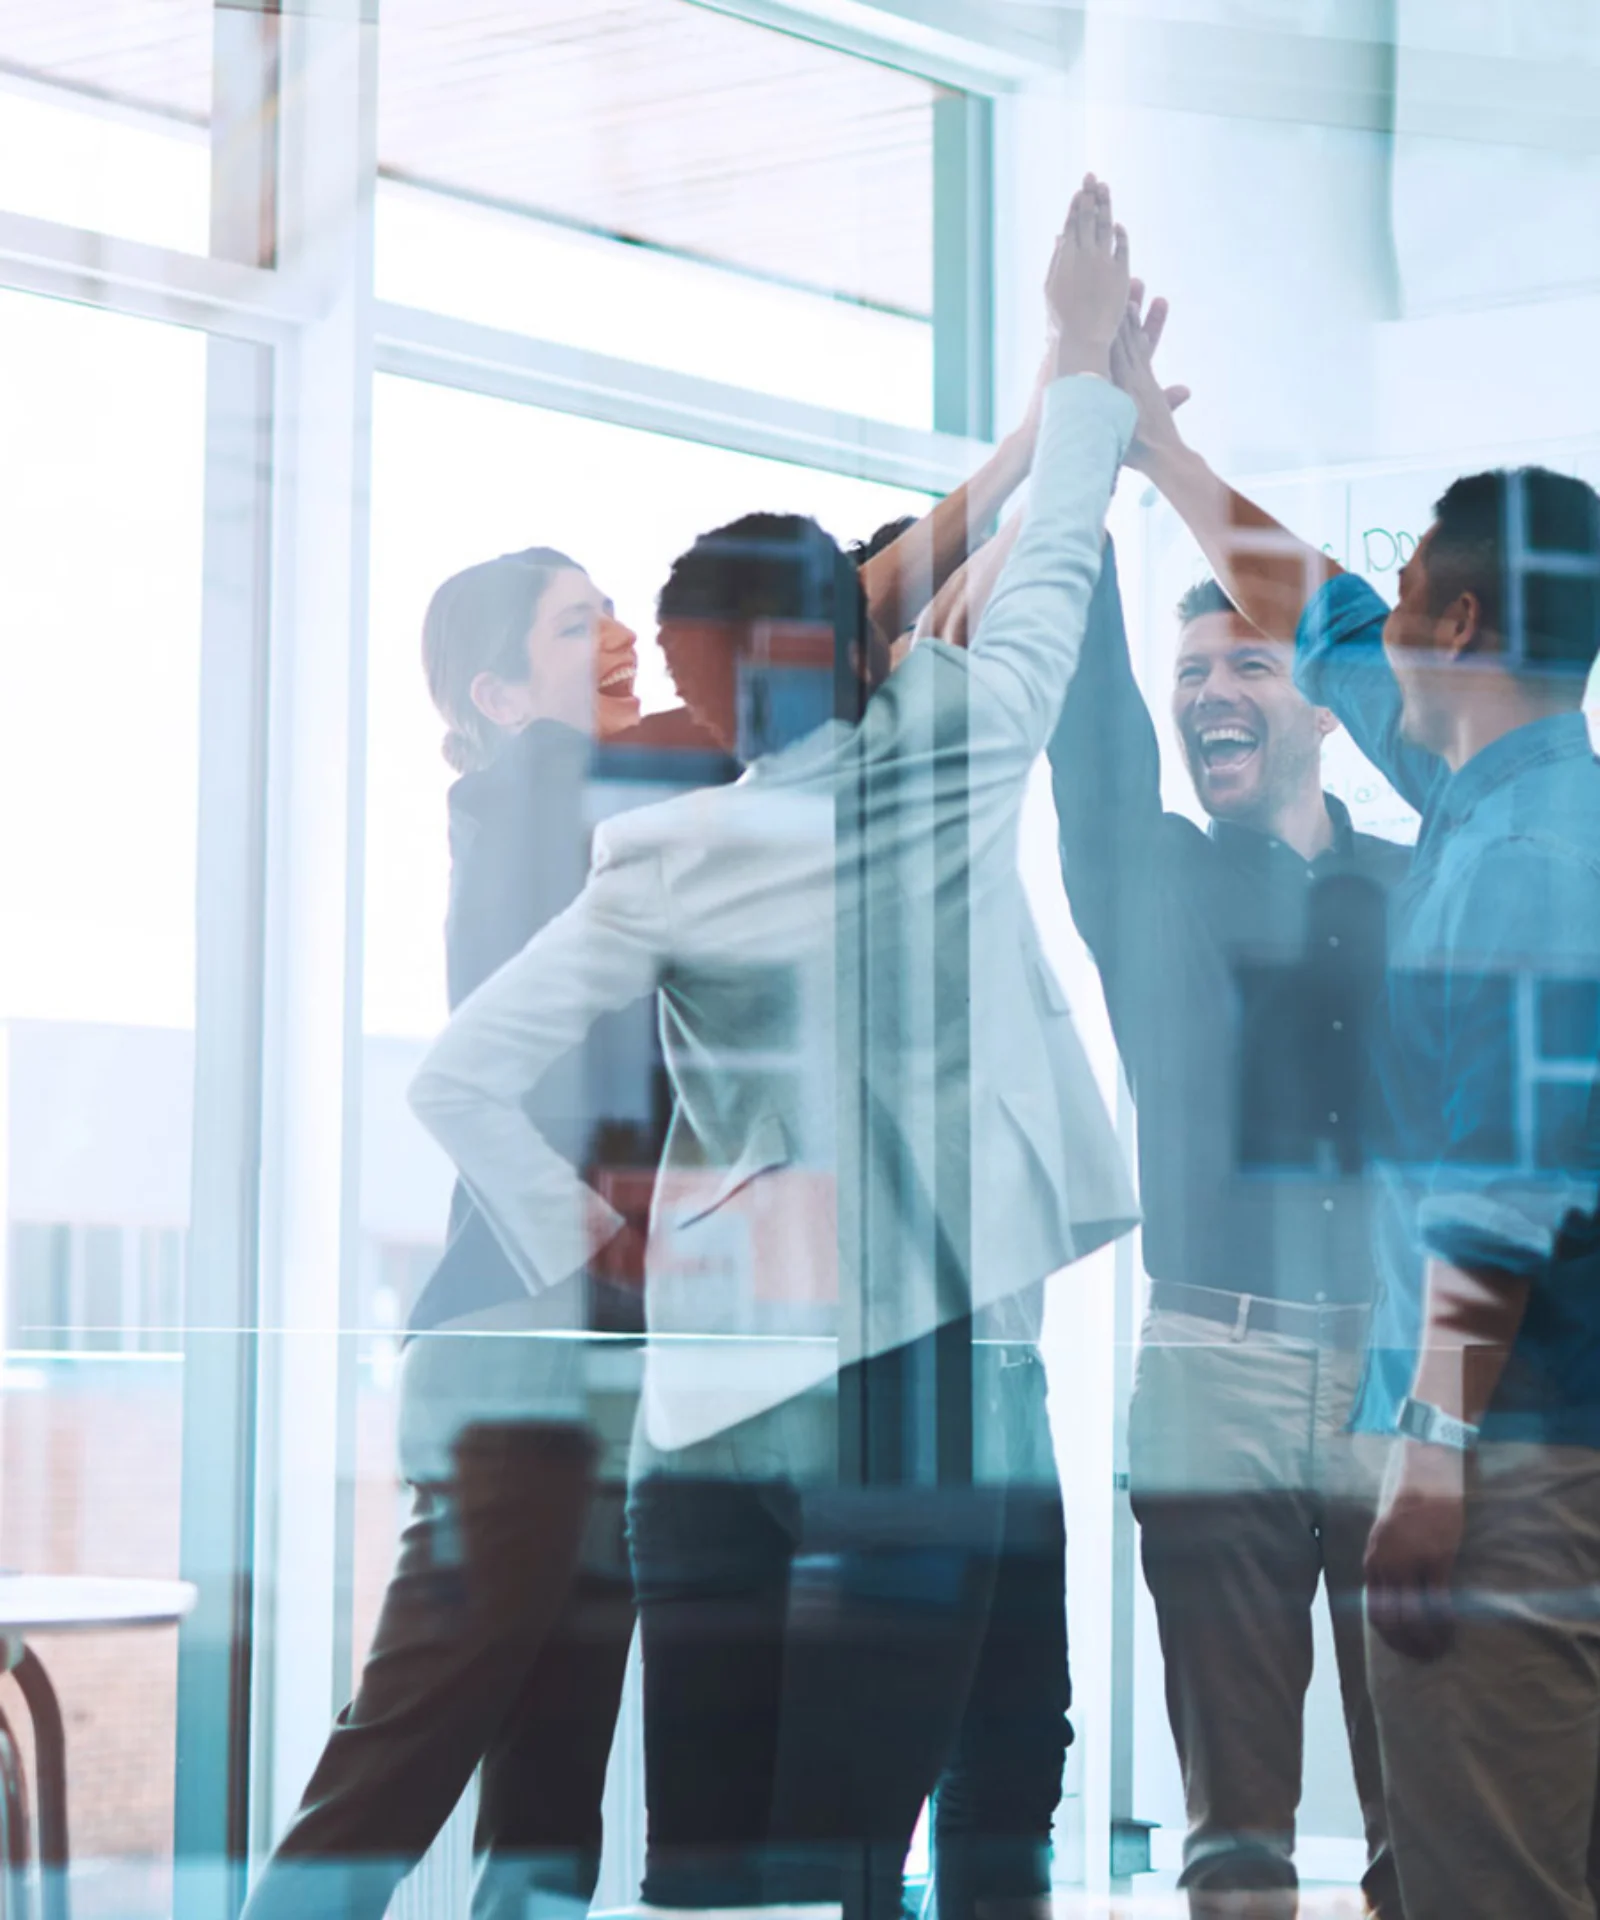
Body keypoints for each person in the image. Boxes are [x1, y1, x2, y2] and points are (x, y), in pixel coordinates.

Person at [408, 176, 1143, 1920]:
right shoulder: (965, 746)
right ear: (859, 652)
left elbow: (455, 1079)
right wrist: (1080, 381)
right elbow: (1051, 562)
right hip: (912, 1397)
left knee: (715, 1881)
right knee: (857, 1855)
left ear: (710, 686)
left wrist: (612, 1244)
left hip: (711, 1407)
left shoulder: (659, 848)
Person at [1112, 291, 1600, 1918]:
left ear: (1455, 633)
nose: (1371, 621)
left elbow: (1499, 1187)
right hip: (1507, 1432)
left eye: (1405, 597)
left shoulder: (1525, 859)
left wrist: (1436, 1458)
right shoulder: (1494, 785)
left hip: (1516, 1456)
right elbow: (1307, 609)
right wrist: (1164, 447)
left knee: (1489, 1875)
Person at [1048, 540, 1407, 1918]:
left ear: (1323, 703)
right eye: (1190, 670)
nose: (1211, 691)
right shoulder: (1154, 885)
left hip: (1399, 1387)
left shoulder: (1420, 882)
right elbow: (1087, 742)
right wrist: (1088, 451)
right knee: (1237, 1842)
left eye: (1248, 663)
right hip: (1214, 1371)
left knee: (1428, 1819)